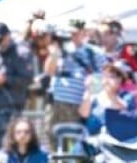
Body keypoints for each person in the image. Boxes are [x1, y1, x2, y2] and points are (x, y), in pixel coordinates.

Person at [45, 20, 106, 150]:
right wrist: (54, 53)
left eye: (74, 33)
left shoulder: (94, 52)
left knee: (75, 145)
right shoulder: (60, 50)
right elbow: (49, 72)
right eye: (68, 33)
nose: (71, 36)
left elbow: (101, 78)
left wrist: (89, 97)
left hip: (79, 105)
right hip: (56, 102)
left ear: (83, 33)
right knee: (52, 140)